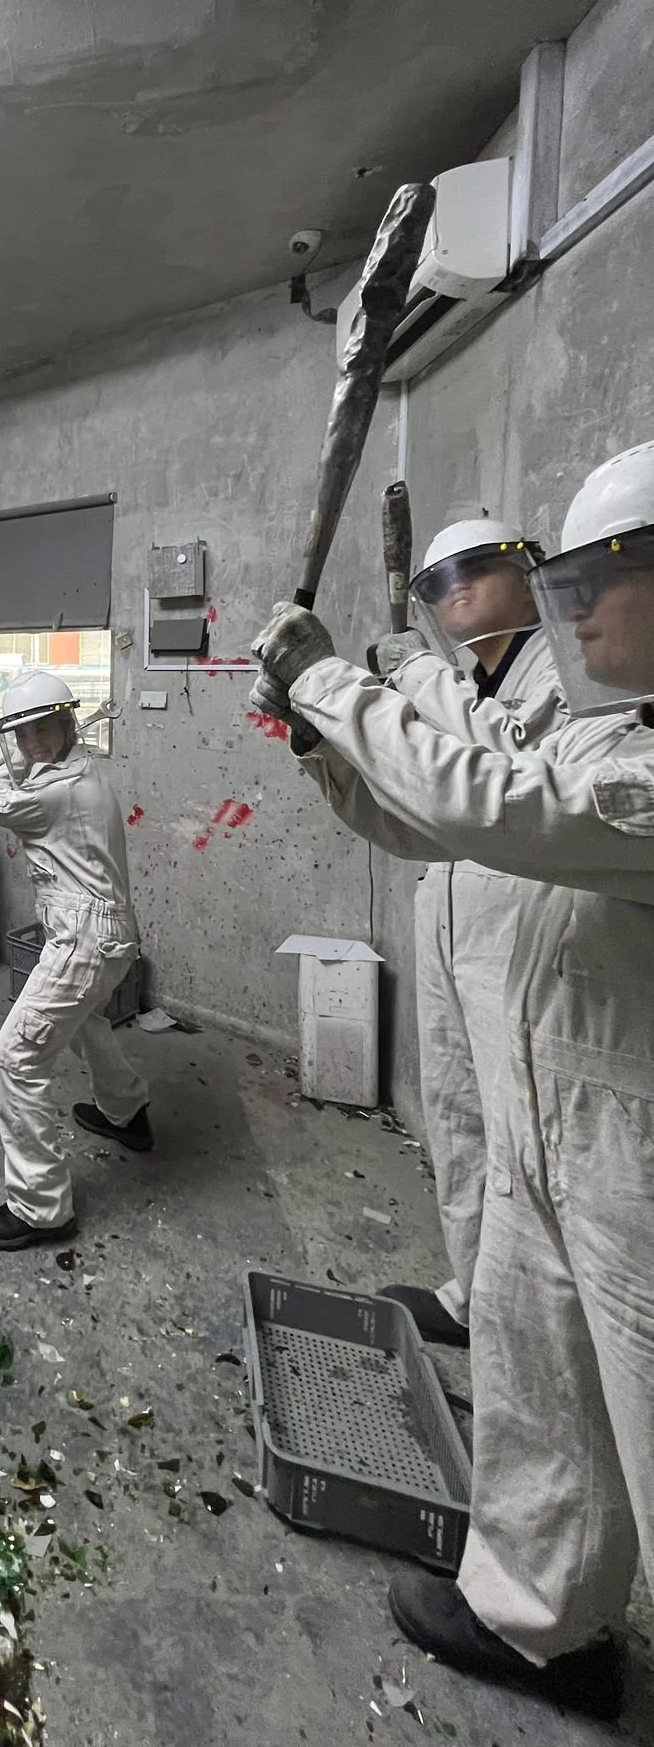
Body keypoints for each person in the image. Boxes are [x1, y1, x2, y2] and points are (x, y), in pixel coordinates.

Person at [249, 443, 654, 1721]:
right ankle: (545, 1621)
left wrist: (327, 674)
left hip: (630, 1145)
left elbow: (483, 796)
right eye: (571, 574)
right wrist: (322, 743)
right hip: (545, 1111)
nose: (577, 603)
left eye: (602, 575)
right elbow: (426, 820)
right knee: (539, 1388)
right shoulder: (611, 727)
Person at [366, 522, 562, 1347]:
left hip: (520, 925)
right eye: (439, 581)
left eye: (478, 570)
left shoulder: (561, 667)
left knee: (521, 1129)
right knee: (457, 1114)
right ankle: (475, 1293)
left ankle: (529, 1319)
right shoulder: (458, 682)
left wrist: (408, 672)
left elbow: (506, 764)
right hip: (447, 906)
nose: (456, 591)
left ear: (531, 574)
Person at [0, 671, 150, 1251]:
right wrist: (20, 743)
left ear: (68, 722)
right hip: (104, 939)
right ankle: (126, 1111)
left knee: (16, 1059)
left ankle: (40, 1208)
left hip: (84, 942)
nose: (33, 744)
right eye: (22, 735)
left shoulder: (53, 792)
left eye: (43, 728)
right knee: (85, 1024)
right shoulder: (80, 769)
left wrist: (1, 746)